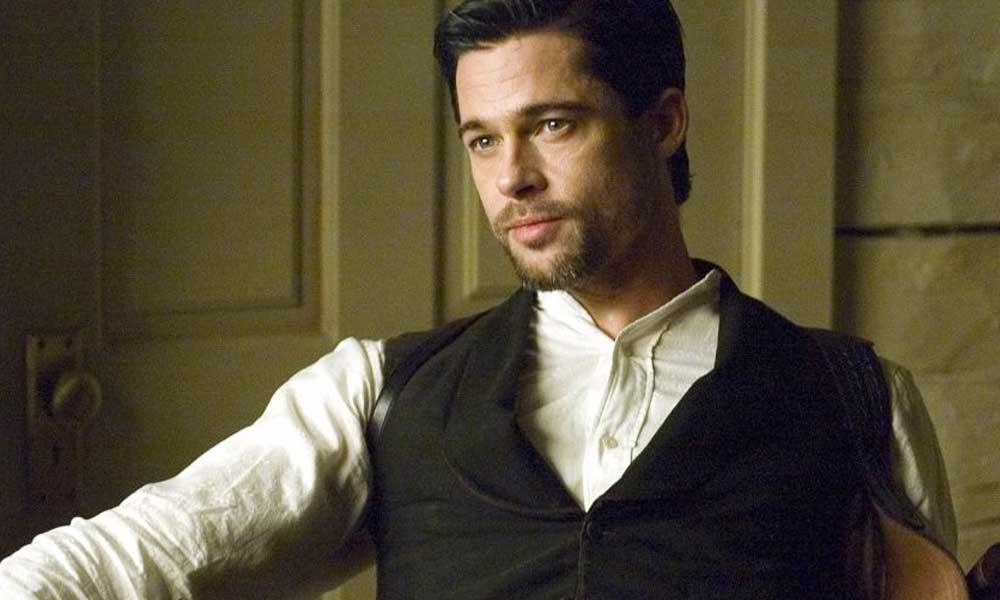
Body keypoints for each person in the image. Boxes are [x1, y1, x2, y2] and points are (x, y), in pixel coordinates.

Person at [1, 1, 958, 598]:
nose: (511, 179)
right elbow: (133, 559)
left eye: (553, 125)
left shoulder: (853, 397)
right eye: (483, 139)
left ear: (663, 121)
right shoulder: (380, 393)